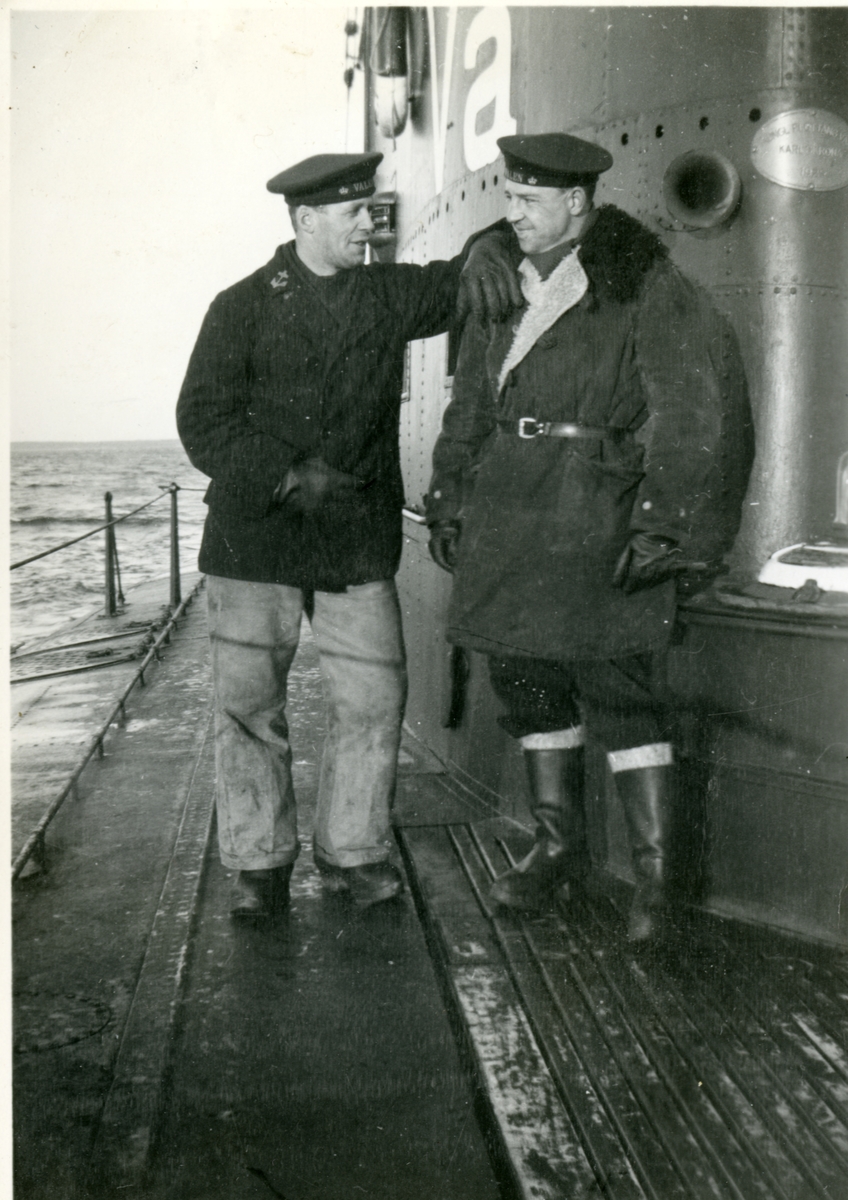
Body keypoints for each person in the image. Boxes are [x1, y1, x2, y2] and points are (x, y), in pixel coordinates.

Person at [426, 133, 754, 941]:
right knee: (526, 679)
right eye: (509, 198)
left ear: (576, 202)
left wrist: (665, 527)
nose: (512, 214)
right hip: (509, 513)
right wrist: (448, 495)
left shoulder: (645, 283)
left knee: (622, 694)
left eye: (528, 201)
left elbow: (691, 411)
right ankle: (557, 848)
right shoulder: (502, 279)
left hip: (593, 512)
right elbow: (471, 404)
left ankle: (656, 883)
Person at [177, 152, 520, 918]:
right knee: (248, 707)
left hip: (353, 539)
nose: (370, 224)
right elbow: (201, 420)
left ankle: (354, 852)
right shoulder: (240, 306)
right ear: (305, 220)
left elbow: (459, 279)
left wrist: (494, 240)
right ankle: (259, 864)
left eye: (370, 209)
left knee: (372, 700)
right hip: (254, 540)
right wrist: (287, 474)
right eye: (353, 213)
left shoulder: (387, 294)